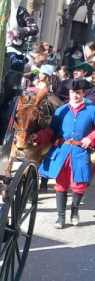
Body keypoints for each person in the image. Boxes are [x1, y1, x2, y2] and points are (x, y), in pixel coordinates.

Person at [35, 75, 95, 228]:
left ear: (83, 94)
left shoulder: (91, 110)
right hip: (62, 152)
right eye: (73, 92)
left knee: (79, 185)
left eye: (79, 92)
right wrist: (37, 136)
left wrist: (91, 137)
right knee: (61, 185)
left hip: (80, 152)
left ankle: (74, 210)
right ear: (69, 93)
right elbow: (51, 130)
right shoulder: (61, 110)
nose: (75, 95)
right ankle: (60, 218)